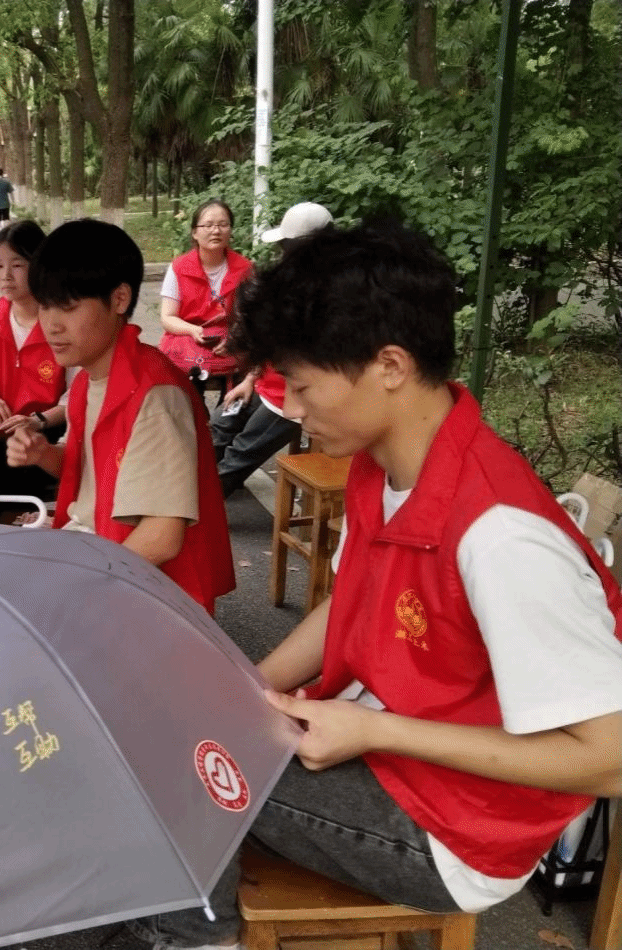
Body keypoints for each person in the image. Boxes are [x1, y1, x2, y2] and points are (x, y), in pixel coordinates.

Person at [127, 221, 622, 950]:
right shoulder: (383, 465)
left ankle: (197, 939)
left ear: (390, 365)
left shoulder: (502, 536)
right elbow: (352, 605)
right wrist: (246, 690)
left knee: (179, 767)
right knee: (181, 724)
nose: (292, 409)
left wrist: (375, 729)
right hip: (389, 751)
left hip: (457, 831)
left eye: (302, 386)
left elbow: (609, 758)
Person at [6, 219, 235, 613]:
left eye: (68, 306)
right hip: (98, 550)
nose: (52, 325)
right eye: (44, 306)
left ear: (119, 299)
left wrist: (77, 586)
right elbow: (92, 473)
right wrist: (43, 454)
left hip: (144, 591)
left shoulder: (154, 396)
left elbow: (162, 536)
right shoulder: (88, 381)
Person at [210, 201, 333, 497]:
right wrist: (250, 379)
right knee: (218, 427)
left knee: (239, 455)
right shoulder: (288, 282)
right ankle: (193, 489)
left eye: (285, 246)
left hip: (289, 397)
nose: (281, 254)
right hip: (266, 383)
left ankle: (200, 506)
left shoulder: (332, 290)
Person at [0, 220, 69, 523]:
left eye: (17, 265)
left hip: (51, 436)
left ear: (40, 265)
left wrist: (38, 420)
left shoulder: (61, 320)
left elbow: (80, 393)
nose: (5, 275)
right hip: (5, 440)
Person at [157, 199, 253, 400]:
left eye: (223, 224)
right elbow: (167, 317)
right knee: (183, 373)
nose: (216, 231)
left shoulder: (244, 268)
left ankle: (227, 413)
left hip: (230, 339)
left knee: (246, 354)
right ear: (194, 232)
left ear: (230, 230)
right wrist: (193, 330)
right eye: (208, 225)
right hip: (187, 337)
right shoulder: (179, 268)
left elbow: (251, 316)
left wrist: (235, 338)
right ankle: (193, 413)